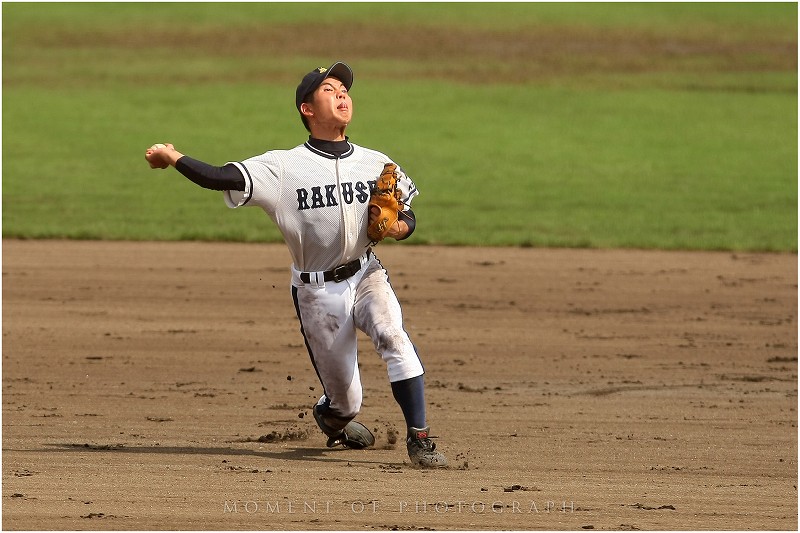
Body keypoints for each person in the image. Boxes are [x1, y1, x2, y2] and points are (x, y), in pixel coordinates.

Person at [144, 61, 447, 468]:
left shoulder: (377, 162)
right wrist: (172, 156)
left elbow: (407, 216)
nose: (342, 93)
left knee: (394, 338)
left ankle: (420, 439)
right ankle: (331, 418)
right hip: (317, 293)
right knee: (347, 400)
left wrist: (397, 229)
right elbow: (219, 177)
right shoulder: (282, 167)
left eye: (344, 88)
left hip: (368, 273)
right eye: (329, 89)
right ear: (307, 109)